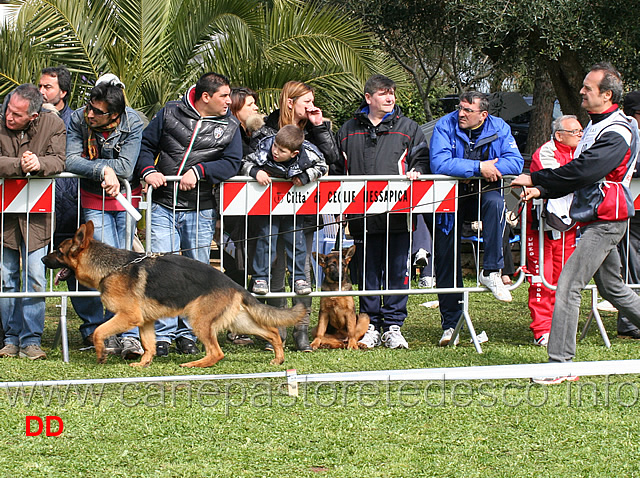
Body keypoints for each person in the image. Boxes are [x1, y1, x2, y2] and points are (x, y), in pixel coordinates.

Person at [512, 62, 640, 384]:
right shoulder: (597, 125)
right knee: (613, 289)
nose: (581, 91)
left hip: (606, 221)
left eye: (588, 88)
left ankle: (559, 366)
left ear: (607, 94)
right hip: (596, 218)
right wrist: (540, 187)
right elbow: (580, 171)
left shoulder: (618, 131)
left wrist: (537, 177)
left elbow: (585, 170)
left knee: (568, 286)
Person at [137, 71, 242, 357]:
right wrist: (148, 171)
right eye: (224, 96)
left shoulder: (231, 125)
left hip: (201, 207)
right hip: (162, 205)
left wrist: (200, 171)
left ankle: (190, 333)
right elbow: (145, 146)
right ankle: (163, 334)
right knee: (161, 270)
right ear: (205, 96)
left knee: (197, 271)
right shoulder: (169, 112)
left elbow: (233, 163)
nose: (229, 101)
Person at [335, 74, 430, 349]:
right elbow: (339, 170)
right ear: (368, 98)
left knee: (398, 269)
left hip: (399, 214)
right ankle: (370, 325)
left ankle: (394, 325)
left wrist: (419, 171)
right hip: (361, 216)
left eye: (392, 93)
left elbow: (421, 159)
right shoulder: (347, 130)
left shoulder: (409, 128)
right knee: (366, 271)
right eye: (383, 93)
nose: (390, 98)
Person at [430, 91, 523, 346]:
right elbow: (439, 163)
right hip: (449, 197)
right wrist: (479, 168)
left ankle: (491, 270)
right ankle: (450, 324)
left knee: (496, 203)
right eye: (460, 108)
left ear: (483, 114)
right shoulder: (444, 125)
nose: (461, 114)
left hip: (484, 194)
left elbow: (515, 162)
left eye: (467, 111)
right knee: (447, 256)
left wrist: (490, 170)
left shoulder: (499, 127)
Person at [251, 81, 339, 352]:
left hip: (305, 211)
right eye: (307, 102)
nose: (312, 107)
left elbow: (332, 159)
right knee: (275, 269)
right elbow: (253, 160)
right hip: (268, 212)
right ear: (290, 102)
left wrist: (319, 125)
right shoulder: (265, 130)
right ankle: (275, 331)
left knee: (302, 269)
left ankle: (302, 330)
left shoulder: (316, 128)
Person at [65, 74, 145, 358]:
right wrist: (102, 171)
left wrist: (106, 169)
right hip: (92, 201)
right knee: (103, 270)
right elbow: (70, 159)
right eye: (89, 107)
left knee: (127, 271)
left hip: (125, 200)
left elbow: (126, 167)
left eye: (97, 112)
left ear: (115, 114)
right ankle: (105, 331)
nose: (89, 114)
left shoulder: (134, 122)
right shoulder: (77, 119)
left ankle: (131, 336)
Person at [0, 83, 66, 359]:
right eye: (8, 110)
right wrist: (20, 165)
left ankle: (31, 340)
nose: (9, 117)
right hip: (5, 220)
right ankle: (9, 338)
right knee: (6, 278)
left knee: (36, 278)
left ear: (34, 117)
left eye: (17, 114)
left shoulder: (54, 124)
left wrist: (39, 163)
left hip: (37, 221)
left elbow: (60, 160)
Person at [243, 125, 327, 296]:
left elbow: (323, 166)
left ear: (294, 154)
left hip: (293, 207)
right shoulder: (264, 147)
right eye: (275, 146)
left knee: (296, 241)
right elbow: (244, 162)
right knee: (266, 239)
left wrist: (305, 177)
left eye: (281, 150)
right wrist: (255, 172)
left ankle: (299, 278)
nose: (275, 151)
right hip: (267, 204)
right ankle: (261, 277)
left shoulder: (309, 153)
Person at [525, 115, 582, 347]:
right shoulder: (546, 152)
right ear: (559, 135)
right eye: (575, 131)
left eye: (581, 131)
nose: (580, 135)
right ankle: (542, 329)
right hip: (542, 227)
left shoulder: (582, 152)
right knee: (542, 277)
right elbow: (560, 179)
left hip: (569, 226)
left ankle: (560, 327)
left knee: (563, 278)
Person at [616, 90, 640, 339]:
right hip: (631, 205)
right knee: (631, 266)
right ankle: (629, 321)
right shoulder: (627, 130)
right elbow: (627, 164)